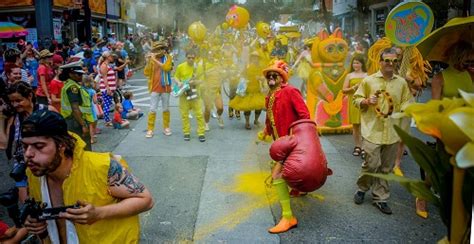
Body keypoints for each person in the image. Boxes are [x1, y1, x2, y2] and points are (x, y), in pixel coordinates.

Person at [21, 110, 154, 243]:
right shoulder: (34, 173)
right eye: (24, 146)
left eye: (39, 146)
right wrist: (36, 224)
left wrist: (99, 213)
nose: (28, 154)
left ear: (61, 145)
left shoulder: (101, 166)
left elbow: (146, 200)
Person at [352, 48, 413, 214]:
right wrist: (365, 100)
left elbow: (406, 102)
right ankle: (362, 188)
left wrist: (410, 108)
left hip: (392, 131)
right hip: (372, 130)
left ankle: (381, 197)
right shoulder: (369, 81)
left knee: (386, 168)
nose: (390, 64)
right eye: (387, 60)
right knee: (371, 164)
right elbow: (355, 99)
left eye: (394, 61)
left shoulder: (401, 83)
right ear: (380, 62)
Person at [261, 60, 310, 233]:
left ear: (282, 78)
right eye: (269, 76)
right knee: (287, 170)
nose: (271, 79)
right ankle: (298, 189)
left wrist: (299, 139)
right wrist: (266, 131)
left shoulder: (290, 91)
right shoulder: (270, 95)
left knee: (277, 176)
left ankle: (288, 217)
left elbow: (304, 116)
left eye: (274, 75)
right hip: (279, 142)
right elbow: (270, 118)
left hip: (291, 142)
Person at [1, 82, 56, 203]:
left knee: (48, 199)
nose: (15, 105)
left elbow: (62, 136)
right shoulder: (14, 118)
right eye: (12, 101)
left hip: (46, 162)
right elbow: (4, 144)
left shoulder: (47, 111)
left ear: (30, 96)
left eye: (18, 100)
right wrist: (1, 119)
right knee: (27, 203)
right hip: (22, 165)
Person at [59, 61, 93, 151]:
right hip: (76, 122)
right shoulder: (72, 88)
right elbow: (75, 108)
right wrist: (83, 125)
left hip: (74, 121)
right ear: (71, 74)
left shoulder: (71, 85)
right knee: (83, 148)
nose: (81, 76)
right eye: (78, 74)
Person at [174, 51, 206, 142]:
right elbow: (176, 77)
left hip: (196, 94)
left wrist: (194, 82)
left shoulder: (199, 67)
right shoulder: (181, 66)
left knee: (199, 114)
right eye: (189, 57)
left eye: (193, 58)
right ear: (186, 58)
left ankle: (201, 133)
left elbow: (202, 80)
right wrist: (179, 83)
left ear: (195, 58)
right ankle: (186, 132)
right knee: (184, 114)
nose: (191, 59)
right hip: (184, 94)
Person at [143, 41, 173, 138]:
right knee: (152, 109)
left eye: (161, 49)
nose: (159, 51)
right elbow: (146, 73)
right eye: (157, 49)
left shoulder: (168, 58)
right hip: (154, 88)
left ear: (164, 50)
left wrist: (154, 59)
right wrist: (148, 62)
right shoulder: (151, 60)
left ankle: (166, 127)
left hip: (166, 88)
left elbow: (167, 68)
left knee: (166, 108)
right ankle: (150, 129)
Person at [229, 51, 266, 130]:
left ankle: (256, 120)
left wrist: (260, 78)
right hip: (248, 90)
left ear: (258, 59)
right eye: (253, 57)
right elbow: (242, 74)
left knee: (259, 107)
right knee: (247, 107)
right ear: (251, 58)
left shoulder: (260, 67)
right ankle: (247, 122)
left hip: (257, 90)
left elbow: (264, 77)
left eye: (256, 57)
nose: (255, 59)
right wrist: (243, 79)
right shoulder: (247, 66)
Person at [342, 55, 367, 157]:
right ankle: (358, 146)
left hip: (364, 102)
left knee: (365, 125)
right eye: (354, 63)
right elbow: (344, 90)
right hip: (353, 103)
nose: (356, 65)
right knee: (356, 126)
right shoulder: (349, 76)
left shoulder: (367, 75)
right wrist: (353, 88)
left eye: (358, 63)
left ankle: (365, 147)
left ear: (362, 64)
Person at [98, 51, 117, 127]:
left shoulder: (106, 65)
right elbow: (104, 78)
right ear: (108, 57)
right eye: (111, 56)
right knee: (107, 105)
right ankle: (107, 121)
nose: (112, 58)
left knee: (107, 104)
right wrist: (108, 89)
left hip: (109, 88)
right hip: (106, 89)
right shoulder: (104, 65)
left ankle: (107, 120)